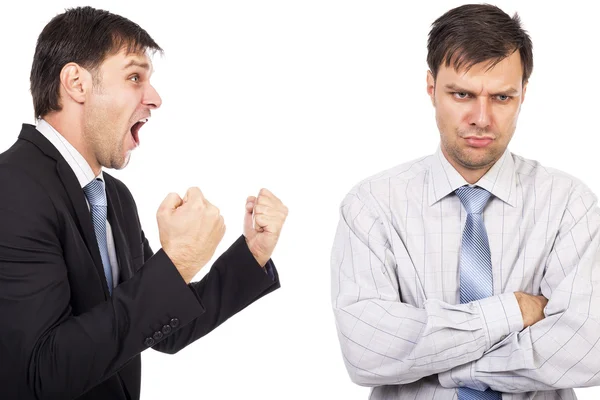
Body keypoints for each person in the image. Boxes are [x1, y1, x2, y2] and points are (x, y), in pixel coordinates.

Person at [0, 6, 288, 400]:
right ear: (76, 83)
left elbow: (163, 325)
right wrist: (177, 263)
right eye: (135, 77)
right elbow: (42, 374)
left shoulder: (113, 197)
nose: (154, 98)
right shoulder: (11, 187)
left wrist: (251, 254)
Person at [331, 4, 600, 399]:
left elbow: (587, 350)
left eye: (502, 97)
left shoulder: (569, 205)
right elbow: (365, 352)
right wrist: (513, 311)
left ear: (524, 92)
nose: (481, 117)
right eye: (462, 94)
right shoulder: (372, 206)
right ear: (431, 88)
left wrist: (445, 362)